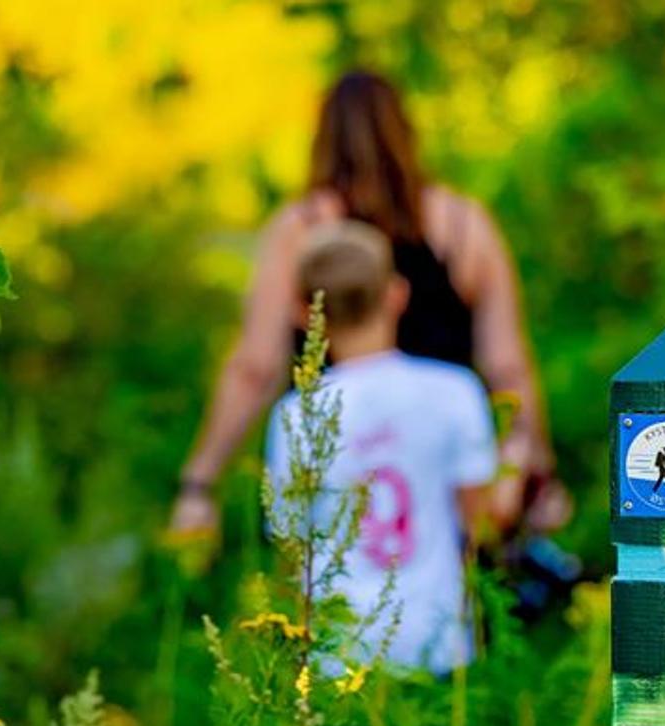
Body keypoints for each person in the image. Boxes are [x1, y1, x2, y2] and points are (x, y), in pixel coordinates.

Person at [171, 70, 563, 534]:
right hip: (446, 480)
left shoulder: (300, 229)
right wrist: (537, 469)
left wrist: (200, 483)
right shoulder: (465, 226)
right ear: (406, 132)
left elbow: (256, 366)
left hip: (334, 480)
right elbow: (508, 366)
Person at [266, 219, 496, 674]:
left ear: (302, 312)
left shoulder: (296, 414)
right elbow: (482, 525)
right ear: (396, 294)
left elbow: (290, 547)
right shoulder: (454, 390)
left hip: (339, 652)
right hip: (438, 641)